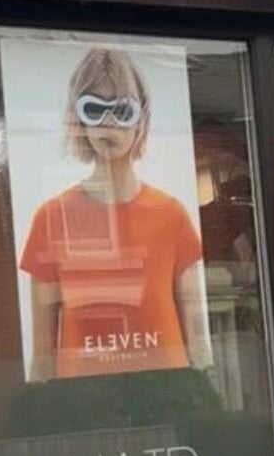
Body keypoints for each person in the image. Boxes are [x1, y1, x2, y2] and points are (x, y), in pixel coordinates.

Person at [19, 48, 212, 381]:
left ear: (141, 119)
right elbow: (42, 354)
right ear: (77, 117)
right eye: (94, 108)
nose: (108, 121)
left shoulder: (171, 215)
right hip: (86, 400)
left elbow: (197, 340)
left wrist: (206, 398)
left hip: (166, 393)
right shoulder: (51, 218)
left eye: (122, 109)